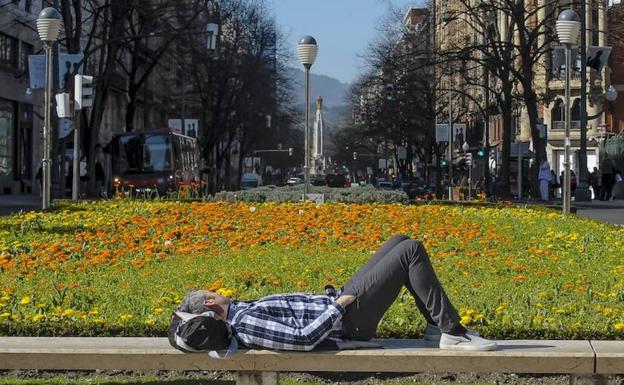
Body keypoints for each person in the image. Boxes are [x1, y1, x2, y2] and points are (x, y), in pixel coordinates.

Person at [171, 235, 498, 354]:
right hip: (348, 320)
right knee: (410, 251)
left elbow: (296, 313)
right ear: (211, 303)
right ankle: (452, 332)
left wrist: (332, 297)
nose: (218, 290)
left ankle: (434, 328)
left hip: (339, 303)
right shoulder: (246, 322)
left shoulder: (243, 312)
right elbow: (302, 339)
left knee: (400, 241)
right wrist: (339, 305)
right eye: (212, 292)